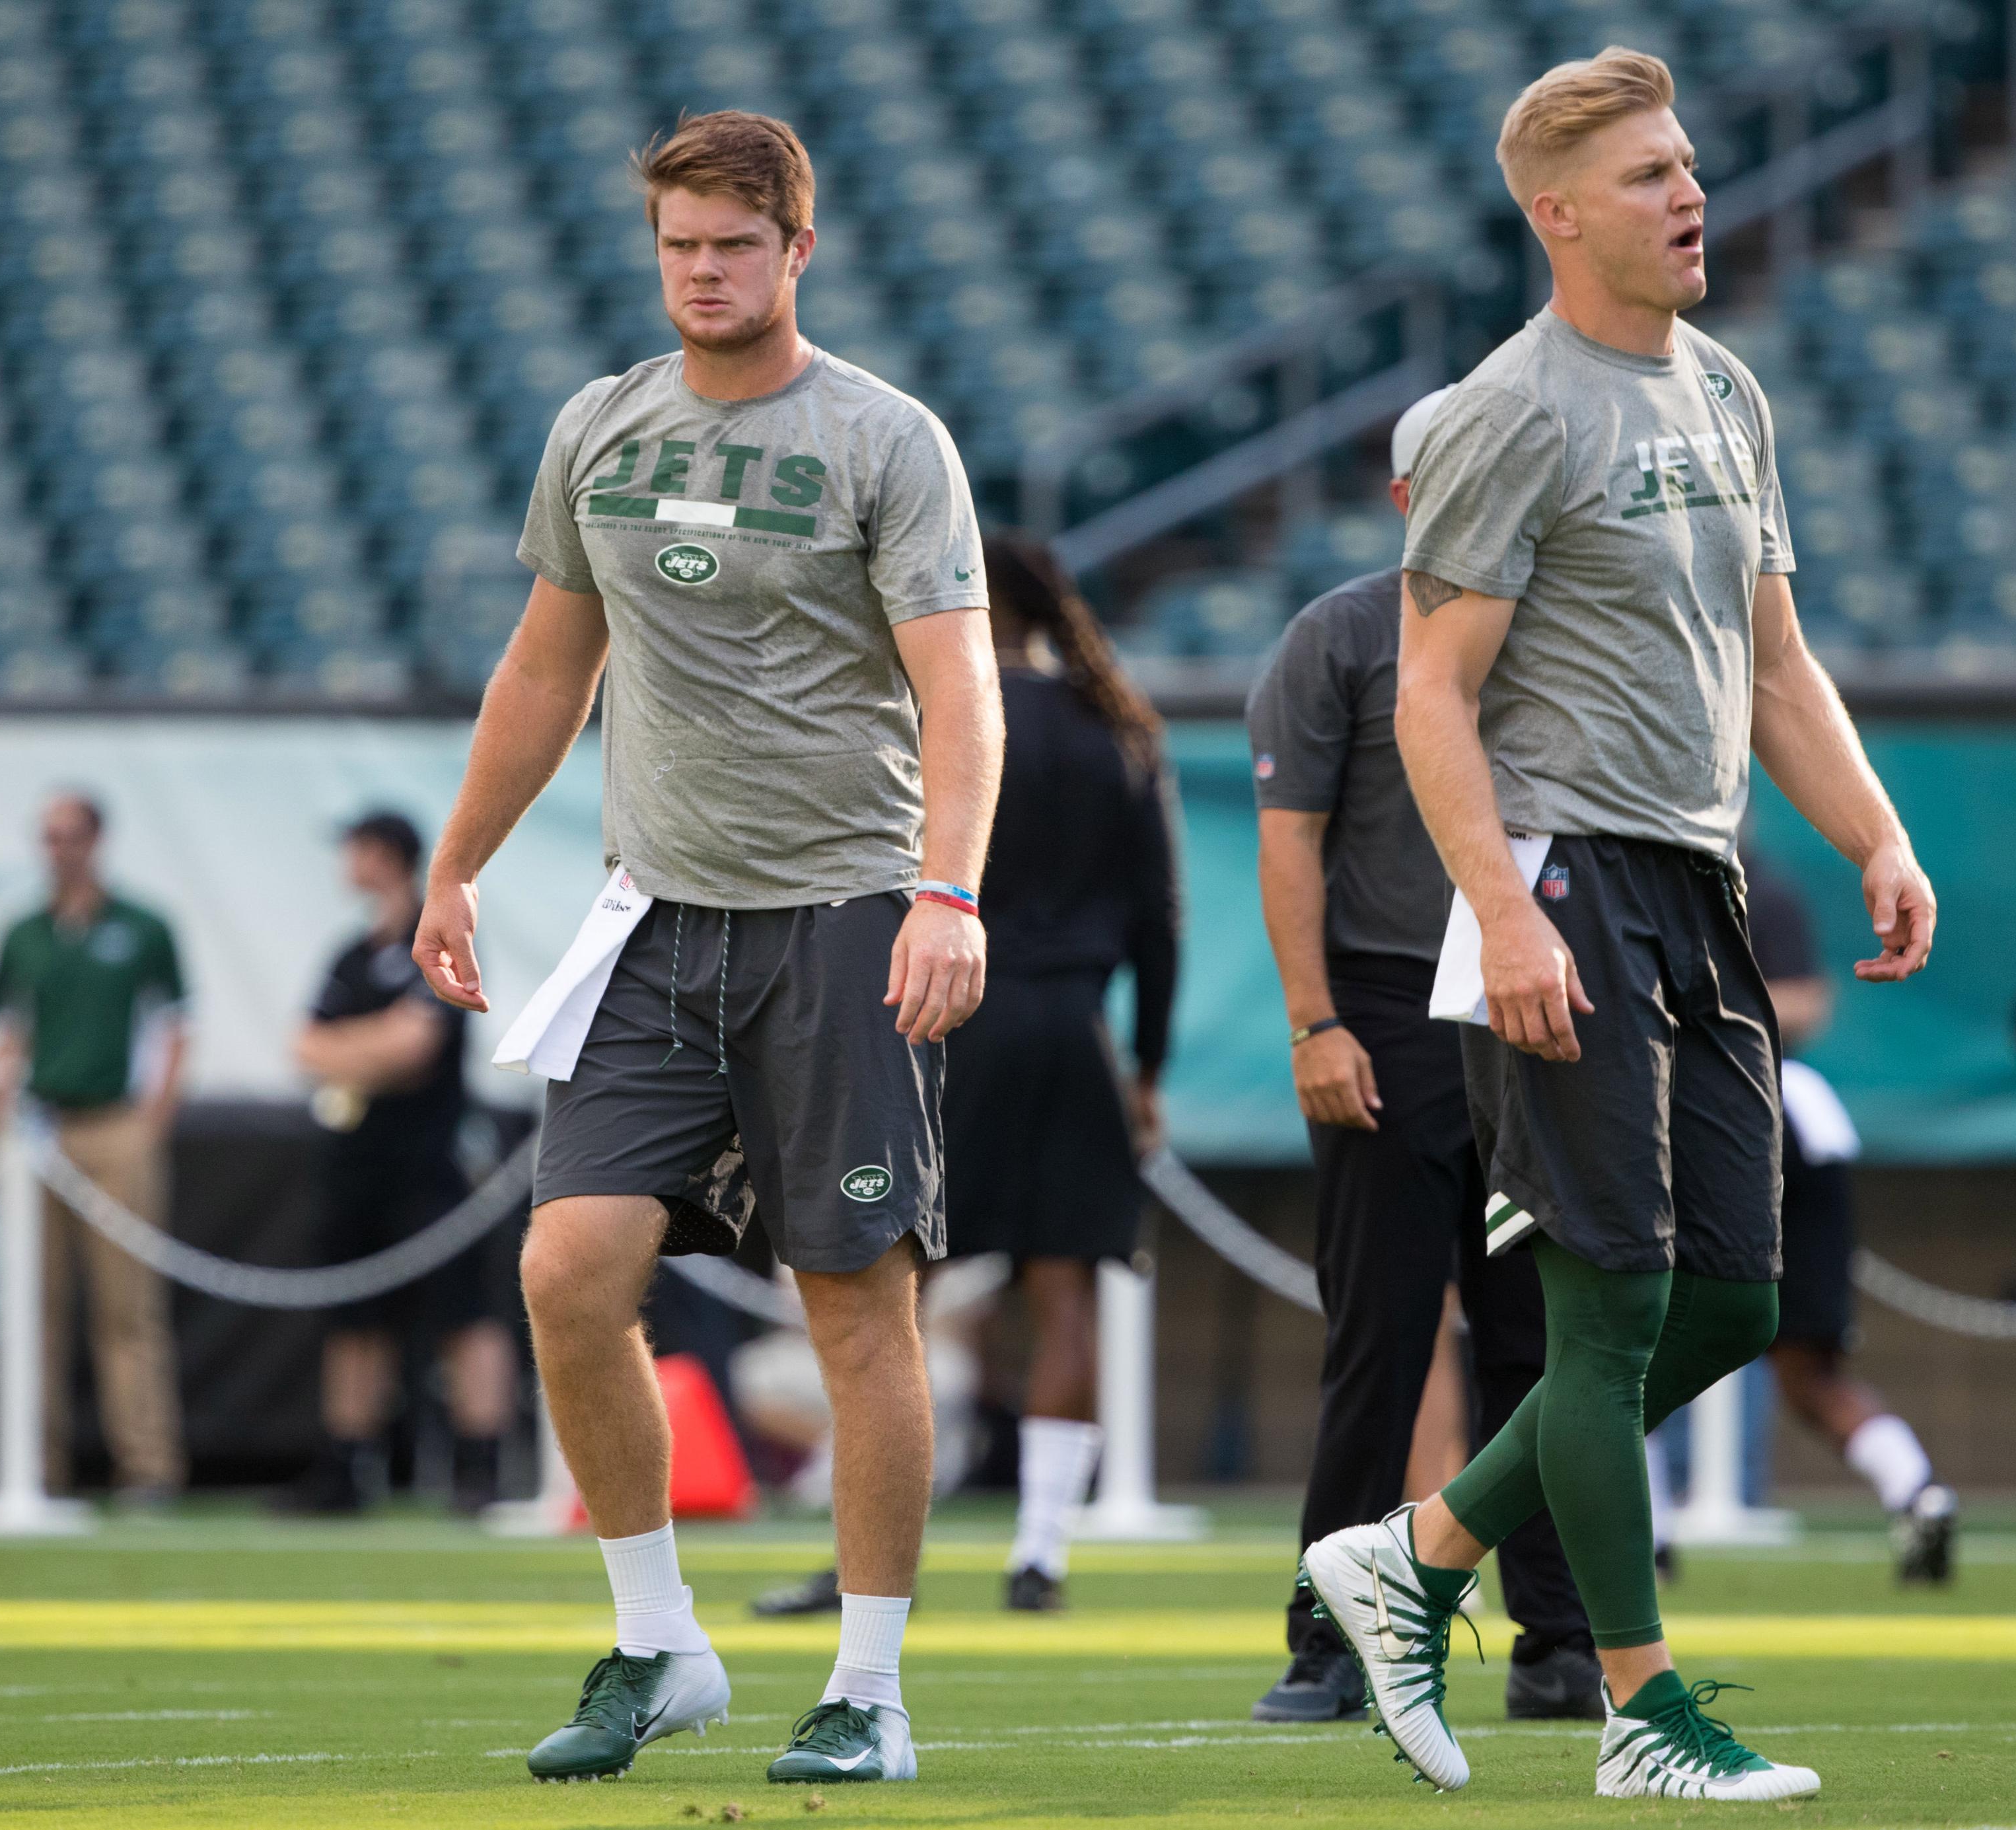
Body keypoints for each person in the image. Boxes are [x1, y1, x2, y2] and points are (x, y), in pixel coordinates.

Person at [1301, 50, 1937, 1801]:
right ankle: (1643, 1714)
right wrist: (1500, 910)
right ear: (1556, 212)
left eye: (1690, 164)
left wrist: (1876, 832)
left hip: (1701, 879)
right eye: (1650, 173)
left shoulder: (1727, 389)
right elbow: (1429, 692)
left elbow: (1781, 664)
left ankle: (1417, 1550)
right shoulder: (1513, 405)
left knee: (1733, 1302)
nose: (1689, 194)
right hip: (1565, 878)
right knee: (1609, 1311)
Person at [410, 112, 1000, 1788]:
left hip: (842, 917)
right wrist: (456, 862)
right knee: (565, 1271)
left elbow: (959, 687)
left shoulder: (886, 437)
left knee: (854, 1306)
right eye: (678, 244)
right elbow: (545, 671)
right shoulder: (598, 425)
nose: (703, 272)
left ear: (796, 251)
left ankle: (869, 1689)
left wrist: (943, 893)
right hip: (654, 921)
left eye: (734, 244)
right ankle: (660, 1641)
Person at [1246, 391, 1599, 1728]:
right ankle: (1329, 1638)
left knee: (1540, 1337)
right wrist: (1314, 1021)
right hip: (1389, 1014)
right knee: (1380, 1336)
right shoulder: (1338, 635)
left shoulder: (1572, 634)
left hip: (1544, 1015)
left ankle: (1560, 1639)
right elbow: (1289, 841)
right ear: (1407, 500)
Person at [754, 531, 1181, 1617]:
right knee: (1066, 1290)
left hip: (948, 1026)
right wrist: (1148, 1068)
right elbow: (1158, 920)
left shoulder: (944, 723)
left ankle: (863, 1560)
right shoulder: (1122, 732)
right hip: (1079, 1035)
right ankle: (1039, 1553)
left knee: (891, 1294)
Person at [277, 811, 516, 1518]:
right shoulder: (351, 952)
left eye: (355, 849)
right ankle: (347, 1465)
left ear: (384, 855)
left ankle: (481, 1463)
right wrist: (367, 1046)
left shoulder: (434, 937)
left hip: (433, 1163)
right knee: (354, 1318)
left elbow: (414, 1049)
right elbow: (304, 1048)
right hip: (358, 1163)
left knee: (463, 1315)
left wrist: (354, 1049)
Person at [1743, 850, 1956, 1581]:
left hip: (1755, 1116)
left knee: (1806, 1369)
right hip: (1776, 1117)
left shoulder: (1757, 883)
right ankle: (1917, 1488)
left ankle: (1918, 1494)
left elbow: (1806, 1001)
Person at [0, 792, 190, 1509]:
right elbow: (8, 1039)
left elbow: (174, 1027)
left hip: (114, 1124)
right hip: (40, 1129)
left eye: (70, 835)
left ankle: (148, 1466)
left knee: (126, 1307)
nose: (59, 848)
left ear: (97, 839)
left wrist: (151, 1121)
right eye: (48, 836)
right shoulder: (24, 933)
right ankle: (35, 1465)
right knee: (35, 1306)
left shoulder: (141, 927)